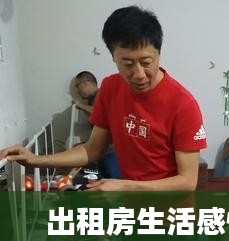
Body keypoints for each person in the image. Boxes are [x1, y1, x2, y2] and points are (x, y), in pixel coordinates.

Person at [0, 6, 207, 191]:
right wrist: (35, 160)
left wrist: (124, 185)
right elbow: (91, 150)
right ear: (113, 57)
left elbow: (187, 181)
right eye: (128, 64)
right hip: (132, 207)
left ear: (159, 54)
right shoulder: (110, 88)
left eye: (146, 62)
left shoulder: (182, 104)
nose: (139, 74)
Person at [73, 70, 122, 179]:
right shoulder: (94, 98)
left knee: (114, 181)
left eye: (77, 86)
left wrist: (79, 105)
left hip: (111, 151)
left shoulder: (100, 95)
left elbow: (98, 112)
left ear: (86, 83)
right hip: (105, 151)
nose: (77, 91)